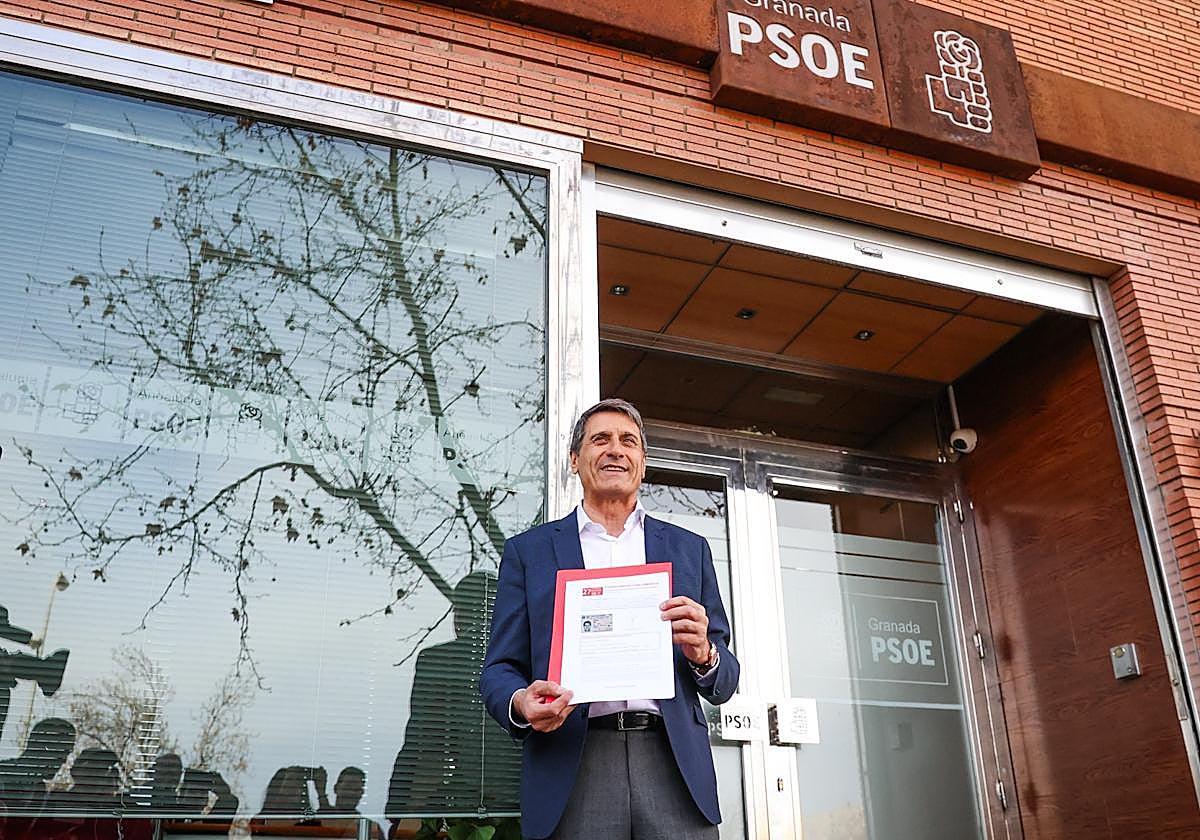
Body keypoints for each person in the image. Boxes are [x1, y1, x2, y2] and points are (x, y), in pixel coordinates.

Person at [481, 399, 740, 839]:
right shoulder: (530, 553)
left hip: (673, 764)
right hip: (573, 762)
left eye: (629, 442)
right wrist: (522, 703)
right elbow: (498, 669)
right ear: (574, 460)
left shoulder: (689, 549)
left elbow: (726, 678)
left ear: (642, 462)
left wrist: (705, 652)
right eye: (600, 439)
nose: (616, 450)